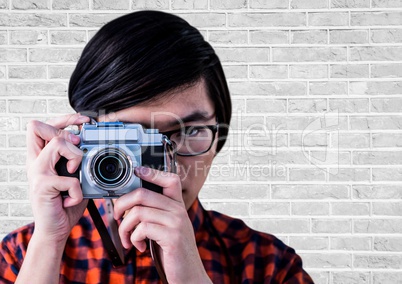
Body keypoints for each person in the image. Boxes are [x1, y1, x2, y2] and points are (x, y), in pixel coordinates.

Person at [0, 11, 314, 283]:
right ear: (85, 137)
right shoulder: (21, 255)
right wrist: (49, 242)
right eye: (133, 136)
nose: (164, 165)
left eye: (190, 130)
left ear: (220, 132)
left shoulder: (270, 267)